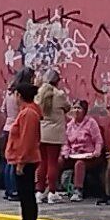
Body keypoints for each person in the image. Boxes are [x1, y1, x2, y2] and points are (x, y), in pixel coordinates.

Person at [5, 82, 42, 220]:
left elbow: (27, 140)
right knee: (24, 196)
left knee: (27, 196)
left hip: (26, 160)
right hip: (23, 159)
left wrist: (21, 162)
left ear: (19, 95)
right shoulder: (27, 112)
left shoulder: (28, 114)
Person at [36, 69, 71, 204]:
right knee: (52, 163)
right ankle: (52, 192)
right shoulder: (59, 95)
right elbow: (67, 107)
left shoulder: (39, 94)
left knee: (42, 163)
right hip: (55, 133)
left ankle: (39, 191)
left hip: (41, 132)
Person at [1, 68, 35, 201]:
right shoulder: (22, 94)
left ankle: (8, 189)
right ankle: (15, 189)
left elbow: (3, 109)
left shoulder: (9, 92)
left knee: (8, 161)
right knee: (15, 162)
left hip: (7, 126)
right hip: (18, 127)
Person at [61, 99, 102, 201]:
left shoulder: (91, 123)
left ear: (84, 110)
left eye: (79, 108)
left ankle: (77, 190)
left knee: (79, 164)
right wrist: (66, 152)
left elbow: (98, 140)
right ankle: (50, 189)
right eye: (74, 108)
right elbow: (66, 142)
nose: (76, 111)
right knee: (58, 161)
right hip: (73, 154)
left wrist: (96, 152)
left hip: (88, 156)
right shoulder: (70, 125)